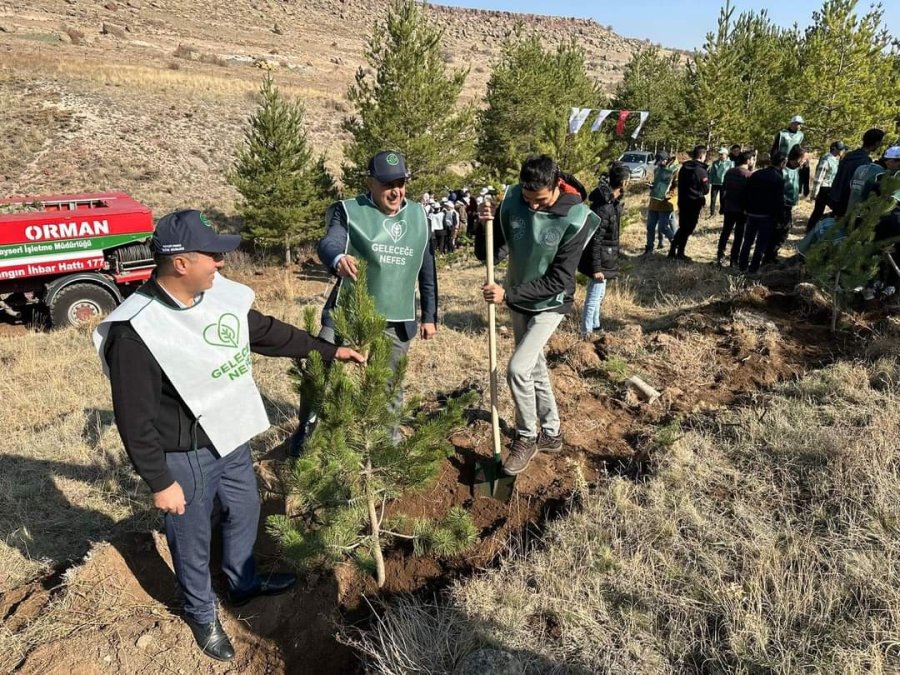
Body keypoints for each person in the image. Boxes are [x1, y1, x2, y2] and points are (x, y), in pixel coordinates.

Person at [93, 211, 364, 662]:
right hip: (185, 455)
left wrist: (330, 350)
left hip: (230, 436)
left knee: (244, 510)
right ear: (180, 263)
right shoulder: (136, 331)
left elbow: (269, 334)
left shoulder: (215, 300)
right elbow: (134, 419)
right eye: (212, 255)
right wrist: (160, 481)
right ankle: (201, 614)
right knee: (191, 537)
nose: (221, 263)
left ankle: (242, 584)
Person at [290, 150, 437, 454]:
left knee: (390, 385)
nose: (395, 191)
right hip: (347, 311)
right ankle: (306, 437)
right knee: (320, 372)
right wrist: (338, 257)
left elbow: (427, 267)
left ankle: (387, 448)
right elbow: (329, 242)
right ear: (370, 183)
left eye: (401, 182)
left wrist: (430, 314)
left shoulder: (419, 217)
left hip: (397, 318)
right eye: (387, 184)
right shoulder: (350, 210)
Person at [476, 154, 600, 475]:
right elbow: (489, 251)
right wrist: (485, 224)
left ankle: (527, 435)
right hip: (519, 299)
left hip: (551, 303)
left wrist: (508, 295)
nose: (532, 206)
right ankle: (552, 432)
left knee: (518, 368)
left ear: (556, 186)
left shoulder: (575, 217)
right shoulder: (515, 201)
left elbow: (560, 279)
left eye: (540, 200)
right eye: (527, 199)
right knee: (535, 368)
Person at [580, 164, 628, 337]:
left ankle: (596, 325)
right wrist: (596, 268)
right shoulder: (604, 208)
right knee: (593, 297)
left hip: (605, 258)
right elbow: (595, 240)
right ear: (623, 182)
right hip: (599, 260)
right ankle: (586, 333)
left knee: (599, 295)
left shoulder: (610, 203)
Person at [738, 151, 787, 274]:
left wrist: (745, 208)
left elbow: (745, 192)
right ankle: (753, 269)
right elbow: (779, 200)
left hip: (752, 213)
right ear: (782, 163)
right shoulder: (778, 178)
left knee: (747, 241)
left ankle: (742, 266)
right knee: (761, 244)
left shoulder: (757, 174)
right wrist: (781, 218)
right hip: (767, 216)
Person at [829, 127, 887, 218]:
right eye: (880, 143)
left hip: (836, 197)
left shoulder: (850, 155)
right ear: (876, 143)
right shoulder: (864, 161)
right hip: (846, 201)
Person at [669, 145, 709, 262]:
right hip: (694, 203)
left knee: (683, 227)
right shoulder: (700, 170)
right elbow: (706, 189)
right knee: (688, 228)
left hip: (683, 201)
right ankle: (679, 252)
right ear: (702, 156)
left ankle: (674, 250)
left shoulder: (684, 168)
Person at [768, 145, 807, 262]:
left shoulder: (796, 170)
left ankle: (771, 254)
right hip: (780, 206)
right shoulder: (783, 171)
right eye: (803, 159)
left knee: (785, 230)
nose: (804, 161)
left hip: (789, 206)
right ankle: (769, 256)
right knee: (779, 231)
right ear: (797, 158)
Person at [717, 151, 752, 267]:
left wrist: (722, 205)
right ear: (748, 161)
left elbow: (724, 189)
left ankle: (720, 256)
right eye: (752, 159)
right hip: (742, 210)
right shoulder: (749, 175)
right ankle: (734, 259)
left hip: (729, 207)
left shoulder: (729, 172)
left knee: (725, 232)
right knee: (739, 235)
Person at [846, 146, 900, 216]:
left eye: (888, 160)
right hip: (869, 216)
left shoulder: (863, 168)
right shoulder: (881, 175)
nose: (887, 162)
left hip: (852, 213)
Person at [644, 151, 679, 255]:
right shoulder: (658, 169)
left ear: (666, 159)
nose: (659, 164)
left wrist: (669, 194)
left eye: (661, 161)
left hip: (666, 203)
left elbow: (677, 186)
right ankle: (649, 249)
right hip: (654, 201)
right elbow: (658, 183)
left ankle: (675, 244)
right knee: (650, 226)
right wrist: (652, 186)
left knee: (663, 227)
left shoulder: (675, 170)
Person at [808, 141, 846, 231]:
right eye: (840, 149)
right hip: (824, 189)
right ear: (834, 149)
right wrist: (815, 192)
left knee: (818, 211)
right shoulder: (826, 159)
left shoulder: (835, 160)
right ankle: (811, 229)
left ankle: (810, 229)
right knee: (837, 210)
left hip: (829, 188)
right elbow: (819, 177)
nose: (842, 151)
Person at [708, 147, 733, 217]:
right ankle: (712, 213)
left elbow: (731, 174)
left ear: (726, 154)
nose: (720, 155)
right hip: (715, 183)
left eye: (722, 154)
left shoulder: (731, 163)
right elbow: (711, 173)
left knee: (723, 199)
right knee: (713, 199)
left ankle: (722, 211)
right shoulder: (715, 163)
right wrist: (709, 182)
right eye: (719, 154)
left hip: (724, 184)